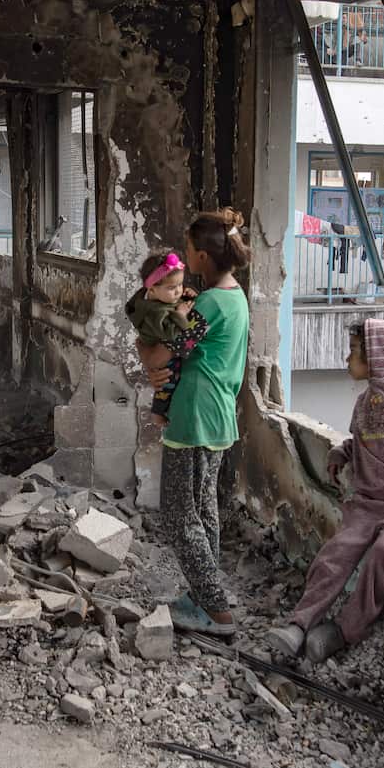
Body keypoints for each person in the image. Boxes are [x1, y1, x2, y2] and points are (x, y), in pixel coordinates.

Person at [267, 319, 384, 663]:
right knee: (335, 556)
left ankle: (345, 629)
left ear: (378, 354)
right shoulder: (366, 400)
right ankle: (300, 623)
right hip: (366, 504)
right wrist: (343, 451)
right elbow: (365, 442)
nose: (348, 360)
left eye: (354, 352)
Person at [136, 208, 250, 636]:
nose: (184, 259)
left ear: (202, 256)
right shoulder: (234, 296)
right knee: (204, 511)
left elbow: (164, 354)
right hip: (218, 416)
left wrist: (143, 345)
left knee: (179, 515)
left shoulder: (206, 304)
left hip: (194, 415)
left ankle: (217, 612)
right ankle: (205, 594)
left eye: (187, 251)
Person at [125, 250, 202, 425]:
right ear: (152, 289)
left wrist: (185, 295)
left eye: (180, 285)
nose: (178, 291)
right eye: (172, 288)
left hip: (153, 347)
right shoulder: (154, 312)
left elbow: (172, 298)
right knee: (168, 379)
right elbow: (171, 334)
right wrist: (181, 315)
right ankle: (158, 412)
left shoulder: (155, 297)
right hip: (160, 355)